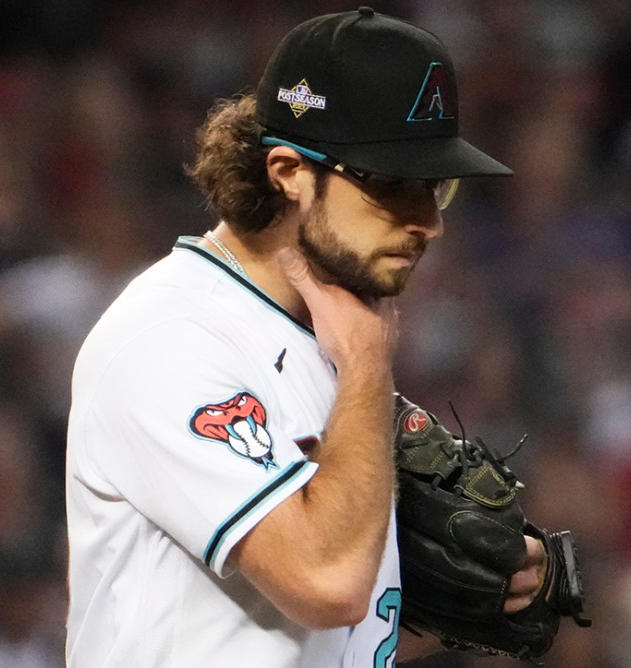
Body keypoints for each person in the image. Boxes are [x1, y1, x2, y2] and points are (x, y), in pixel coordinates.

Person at [65, 8, 545, 667]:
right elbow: (327, 585)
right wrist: (370, 364)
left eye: (436, 185)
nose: (429, 223)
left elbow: (322, 631)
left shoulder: (331, 334)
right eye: (395, 185)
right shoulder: (169, 337)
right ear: (289, 171)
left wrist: (473, 593)